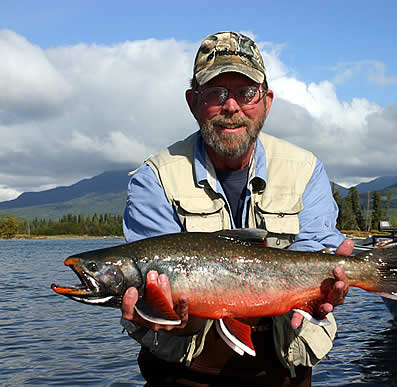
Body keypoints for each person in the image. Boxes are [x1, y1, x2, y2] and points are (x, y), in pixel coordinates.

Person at [120, 31, 354, 386]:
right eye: (216, 93)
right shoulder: (155, 178)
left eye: (246, 93)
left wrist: (322, 291)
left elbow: (314, 254)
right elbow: (155, 289)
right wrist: (171, 315)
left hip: (284, 371)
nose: (232, 107)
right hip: (184, 374)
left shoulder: (305, 169)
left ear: (267, 101)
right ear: (193, 102)